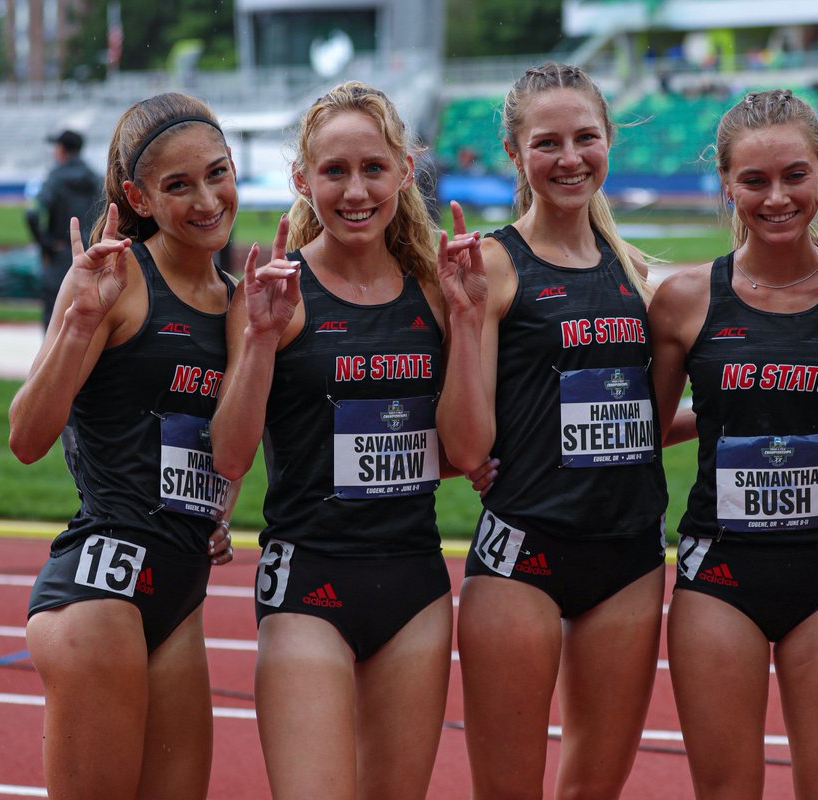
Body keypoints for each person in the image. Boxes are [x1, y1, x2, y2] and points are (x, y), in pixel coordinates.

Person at [210, 81, 487, 799]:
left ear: (404, 169)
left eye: (373, 168)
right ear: (303, 179)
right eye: (334, 171)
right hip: (308, 582)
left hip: (414, 585)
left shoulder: (435, 290)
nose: (356, 190)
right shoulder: (277, 293)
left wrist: (466, 324)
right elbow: (230, 458)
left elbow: (463, 450)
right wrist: (263, 341)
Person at [646, 89, 818, 800]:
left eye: (794, 175)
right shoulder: (682, 300)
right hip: (718, 582)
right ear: (727, 185)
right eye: (754, 181)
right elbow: (643, 432)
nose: (776, 198)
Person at [437, 62, 668, 799]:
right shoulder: (496, 266)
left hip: (628, 558)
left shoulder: (638, 274)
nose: (570, 158)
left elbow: (647, 420)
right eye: (548, 143)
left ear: (608, 142)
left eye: (586, 138)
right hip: (523, 558)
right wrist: (468, 318)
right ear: (515, 153)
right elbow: (468, 449)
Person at [8, 93, 236, 799]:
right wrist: (78, 321)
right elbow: (25, 437)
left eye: (217, 173)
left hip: (180, 594)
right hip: (101, 587)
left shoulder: (238, 301)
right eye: (177, 185)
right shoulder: (117, 279)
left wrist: (216, 502)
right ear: (137, 195)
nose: (206, 200)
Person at [25, 129, 105, 329]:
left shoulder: (55, 177)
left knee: (54, 321)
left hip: (60, 257)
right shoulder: (96, 178)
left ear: (62, 149)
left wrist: (48, 246)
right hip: (92, 256)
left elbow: (32, 214)